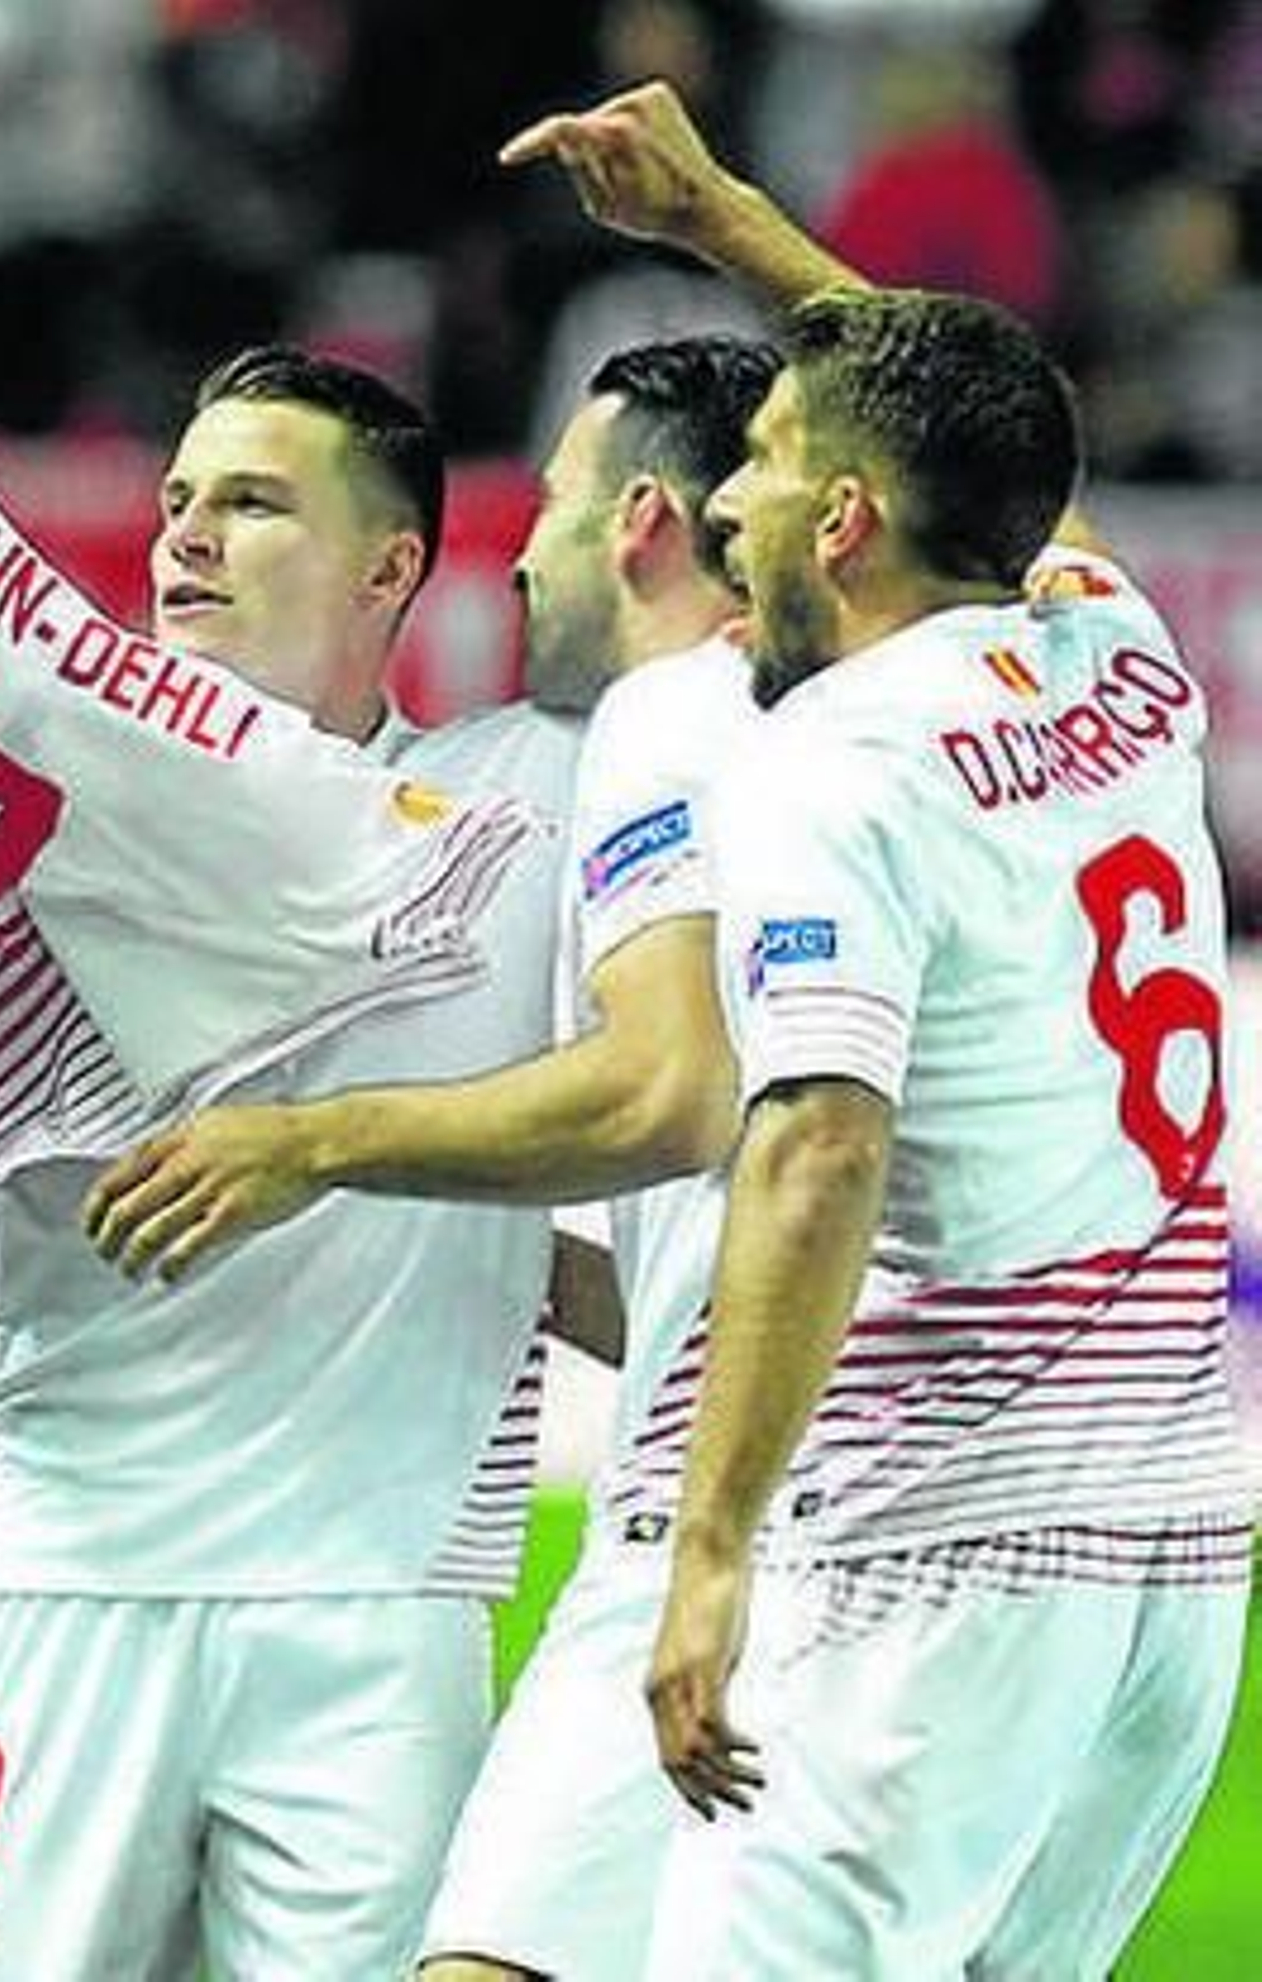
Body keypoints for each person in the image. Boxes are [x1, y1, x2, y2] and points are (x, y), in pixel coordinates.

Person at [0, 347, 581, 1980]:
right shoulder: (52, 798)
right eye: (177, 501)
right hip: (74, 1579)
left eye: (250, 502)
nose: (188, 538)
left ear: (392, 566)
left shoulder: (529, 801)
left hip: (377, 1616)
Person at [509, 81, 1257, 1980]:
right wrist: (729, 220)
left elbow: (819, 1145)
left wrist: (709, 1545)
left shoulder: (837, 762)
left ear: (839, 521)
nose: (730, 498)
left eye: (761, 459)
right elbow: (985, 443)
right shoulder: (1110, 645)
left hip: (948, 1561)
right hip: (1174, 1570)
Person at [82, 332, 779, 1981]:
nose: (522, 551)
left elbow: (667, 1094)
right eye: (182, 500)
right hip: (978, 1514)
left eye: (549, 503)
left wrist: (312, 1146)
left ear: (649, 525)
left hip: (667, 1527)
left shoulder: (616, 747)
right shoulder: (903, 715)